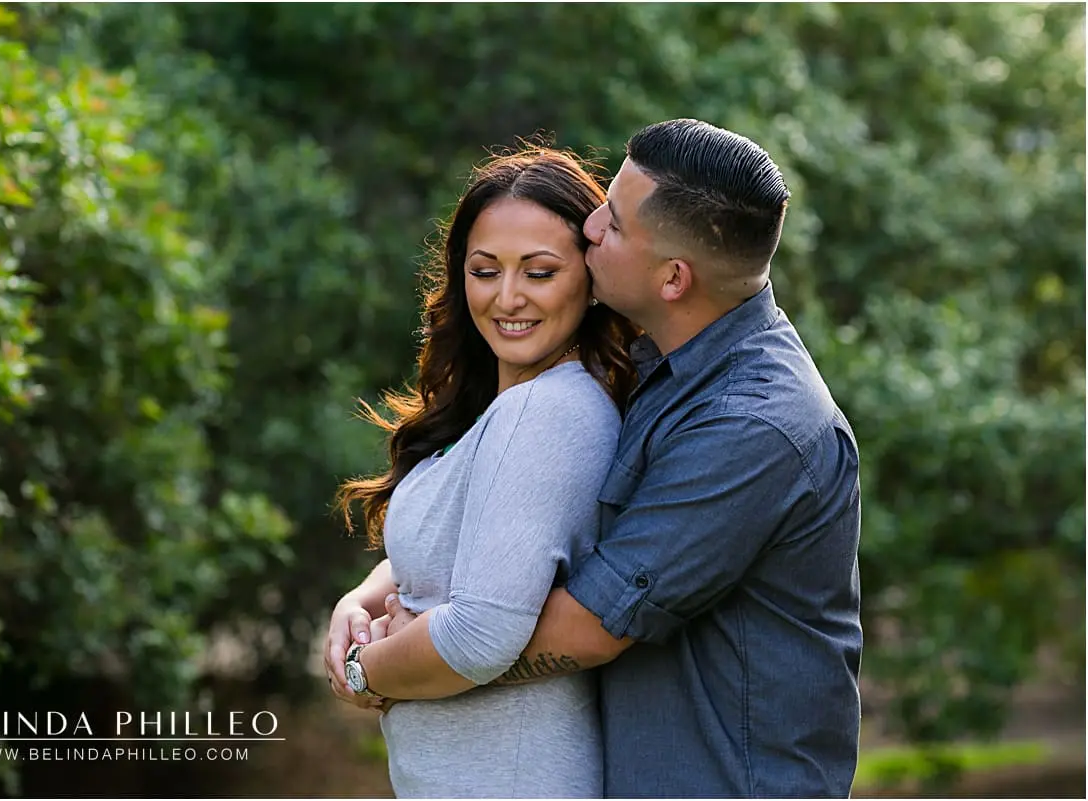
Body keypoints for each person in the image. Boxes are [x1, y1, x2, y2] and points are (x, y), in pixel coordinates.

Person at [329, 118, 863, 799]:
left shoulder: (753, 426)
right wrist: (382, 595)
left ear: (673, 277)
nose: (590, 229)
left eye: (611, 223)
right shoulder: (663, 372)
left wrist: (377, 665)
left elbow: (587, 627)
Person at [331, 146, 641, 798]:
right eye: (484, 270)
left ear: (590, 278)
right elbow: (474, 537)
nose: (507, 298)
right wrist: (359, 600)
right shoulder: (505, 408)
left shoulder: (546, 412)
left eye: (539, 271)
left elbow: (480, 636)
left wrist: (363, 672)